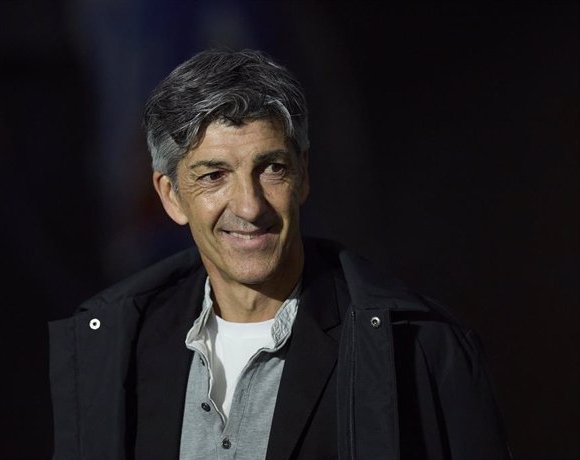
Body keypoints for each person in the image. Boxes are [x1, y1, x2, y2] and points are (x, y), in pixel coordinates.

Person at [48, 49, 510, 460]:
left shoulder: (420, 349)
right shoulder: (116, 351)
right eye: (214, 175)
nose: (249, 206)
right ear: (170, 196)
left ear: (303, 175)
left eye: (272, 168)